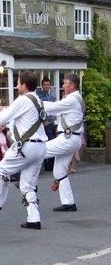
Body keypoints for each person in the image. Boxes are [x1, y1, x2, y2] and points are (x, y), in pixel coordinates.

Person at [0, 71, 47, 230]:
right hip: (40, 147)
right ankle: (34, 219)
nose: (16, 86)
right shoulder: (37, 100)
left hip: (27, 147)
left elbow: (2, 119)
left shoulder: (23, 99)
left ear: (24, 85)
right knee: (27, 186)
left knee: (3, 168)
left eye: (18, 83)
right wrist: (1, 108)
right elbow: (20, 117)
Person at [43, 73, 85, 212]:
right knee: (59, 170)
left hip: (68, 139)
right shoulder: (75, 98)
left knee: (38, 150)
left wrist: (32, 102)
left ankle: (25, 181)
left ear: (72, 85)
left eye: (65, 83)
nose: (62, 86)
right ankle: (69, 203)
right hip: (71, 139)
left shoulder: (72, 99)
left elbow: (52, 107)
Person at [36, 77, 57, 171]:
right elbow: (39, 110)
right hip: (45, 124)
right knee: (47, 143)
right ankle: (47, 165)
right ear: (42, 86)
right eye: (45, 85)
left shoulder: (52, 96)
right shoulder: (39, 96)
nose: (46, 86)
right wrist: (43, 121)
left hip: (52, 123)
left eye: (48, 84)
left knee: (53, 143)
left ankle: (51, 165)